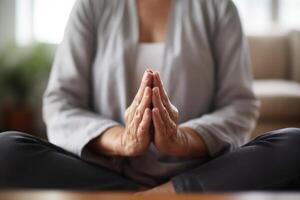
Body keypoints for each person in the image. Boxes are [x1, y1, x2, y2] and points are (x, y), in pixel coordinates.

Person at [0, 0, 300, 193]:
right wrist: (123, 139)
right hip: (102, 171)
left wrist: (182, 139)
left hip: (201, 170)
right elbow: (60, 102)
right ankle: (164, 194)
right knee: (7, 149)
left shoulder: (219, 7)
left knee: (294, 145)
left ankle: (165, 191)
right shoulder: (91, 6)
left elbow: (239, 104)